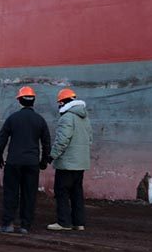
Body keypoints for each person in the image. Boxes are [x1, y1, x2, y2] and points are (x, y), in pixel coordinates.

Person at [0, 86, 51, 234]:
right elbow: (46, 142)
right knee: (29, 194)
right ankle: (25, 225)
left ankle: (8, 224)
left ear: (19, 100)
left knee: (10, 193)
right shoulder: (40, 120)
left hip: (13, 163)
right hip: (32, 164)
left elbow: (2, 139)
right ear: (33, 101)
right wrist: (44, 161)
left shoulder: (12, 119)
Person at [47, 88, 93, 231]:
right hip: (81, 163)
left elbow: (62, 140)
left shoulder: (67, 117)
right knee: (77, 193)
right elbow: (90, 138)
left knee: (62, 192)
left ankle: (63, 222)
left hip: (67, 164)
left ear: (62, 102)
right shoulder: (84, 117)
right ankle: (79, 223)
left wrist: (52, 155)